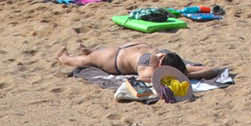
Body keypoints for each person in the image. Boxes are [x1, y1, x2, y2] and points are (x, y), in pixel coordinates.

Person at [56, 43, 225, 86]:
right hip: (115, 56)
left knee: (91, 56)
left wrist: (186, 75)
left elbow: (210, 70)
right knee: (83, 61)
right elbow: (146, 77)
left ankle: (89, 51)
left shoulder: (159, 62)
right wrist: (185, 76)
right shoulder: (149, 63)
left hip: (122, 54)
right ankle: (63, 57)